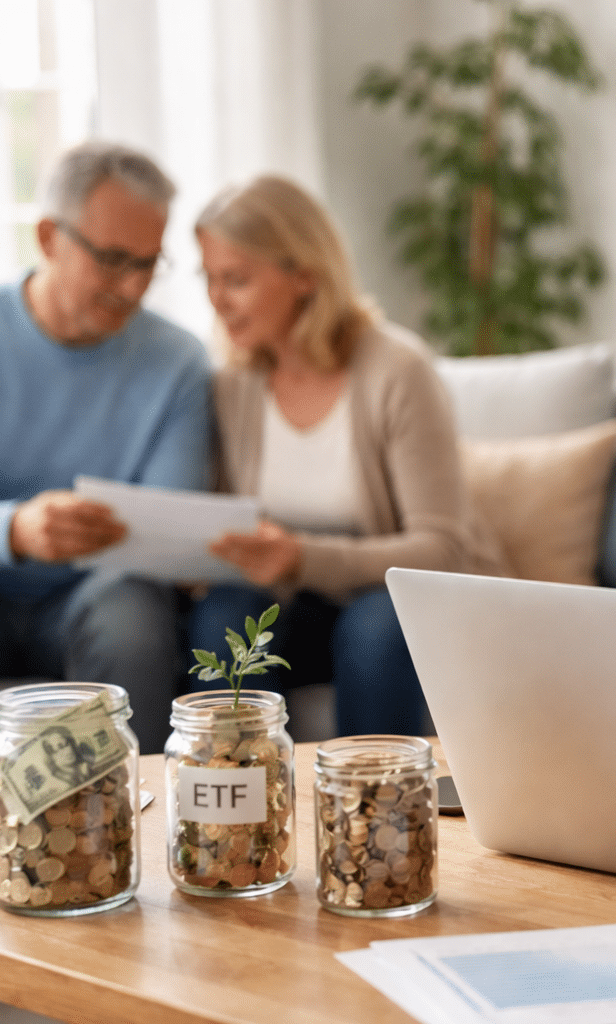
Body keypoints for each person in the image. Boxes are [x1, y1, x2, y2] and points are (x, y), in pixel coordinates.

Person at [0, 141, 212, 784]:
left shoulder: (179, 363)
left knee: (131, 609)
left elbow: (172, 532)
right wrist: (14, 530)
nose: (132, 286)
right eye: (112, 260)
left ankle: (122, 842)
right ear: (50, 237)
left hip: (90, 596)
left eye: (148, 263)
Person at [188, 175, 501, 736]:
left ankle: (372, 817)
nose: (217, 300)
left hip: (393, 604)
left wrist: (301, 558)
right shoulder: (231, 382)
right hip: (294, 611)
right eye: (208, 278)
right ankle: (235, 812)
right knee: (225, 617)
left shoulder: (397, 371)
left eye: (235, 279)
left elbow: (442, 547)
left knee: (376, 625)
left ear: (305, 275)